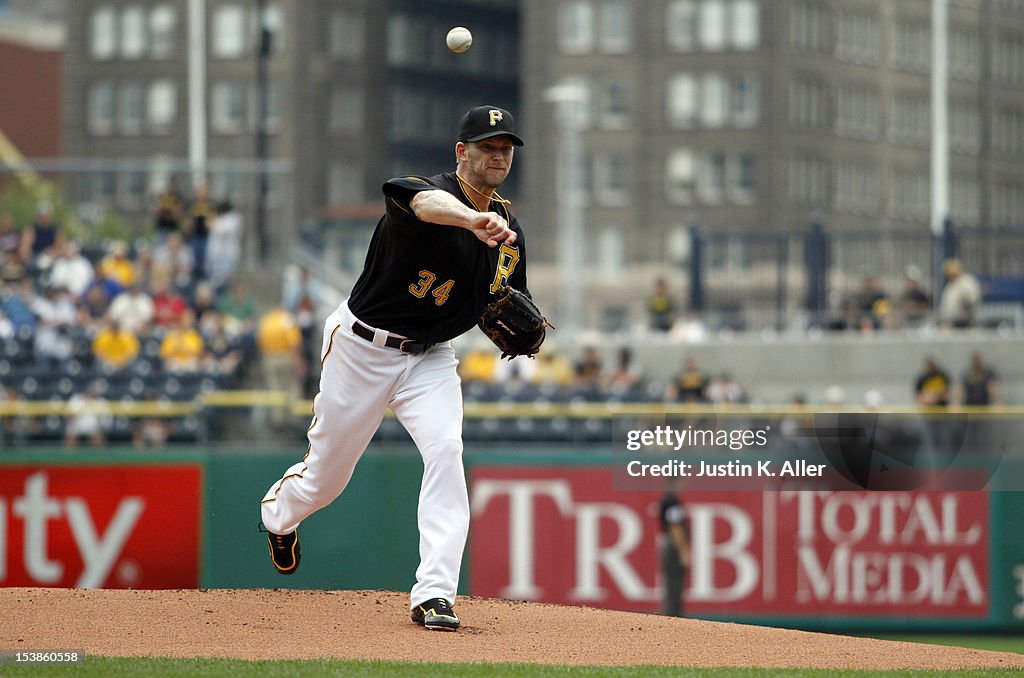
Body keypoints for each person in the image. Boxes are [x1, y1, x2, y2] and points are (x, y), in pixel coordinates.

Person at [260, 105, 534, 632]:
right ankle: (279, 515)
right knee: (326, 479)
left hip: (430, 358)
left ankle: (434, 594)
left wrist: (518, 325)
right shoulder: (424, 193)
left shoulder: (510, 230)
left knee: (447, 450)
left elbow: (508, 300)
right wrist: (470, 218)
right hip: (362, 348)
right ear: (462, 152)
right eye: (488, 146)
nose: (499, 155)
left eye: (507, 148)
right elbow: (426, 204)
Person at [657, 488, 691, 617]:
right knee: (674, 584)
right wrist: (683, 551)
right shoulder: (672, 502)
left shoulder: (666, 500)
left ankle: (671, 615)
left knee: (671, 583)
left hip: (668, 543)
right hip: (673, 545)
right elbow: (675, 526)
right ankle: (672, 616)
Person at [938, 259, 982, 329]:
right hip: (950, 322)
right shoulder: (950, 284)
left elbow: (972, 300)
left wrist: (964, 297)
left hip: (964, 323)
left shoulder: (967, 282)